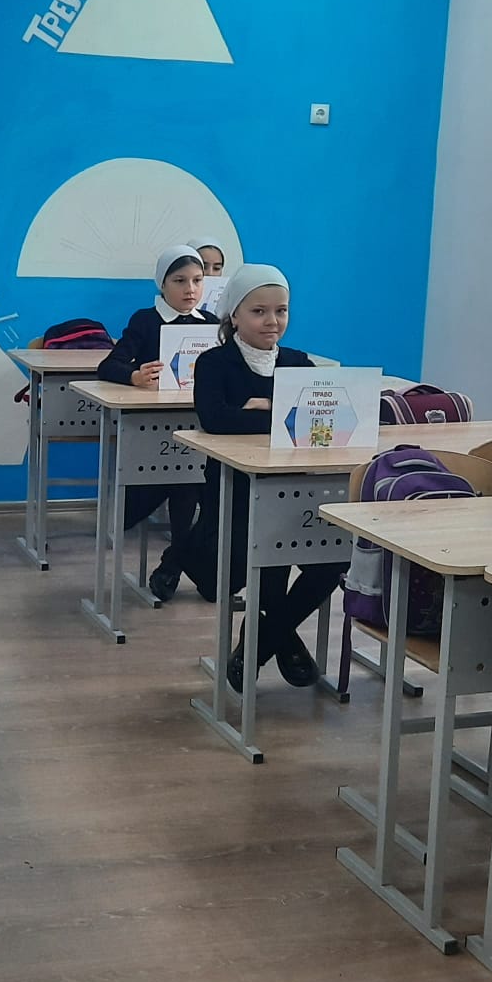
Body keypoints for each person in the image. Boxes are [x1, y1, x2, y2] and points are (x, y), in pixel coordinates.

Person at [182, 264, 343, 691]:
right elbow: (215, 420)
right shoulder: (214, 363)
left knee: (334, 560)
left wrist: (260, 411)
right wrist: (280, 415)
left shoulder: (299, 363)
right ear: (234, 315)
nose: (272, 321)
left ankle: (260, 641)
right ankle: (281, 639)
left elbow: (319, 424)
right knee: (269, 560)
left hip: (299, 490)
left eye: (281, 311)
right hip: (236, 494)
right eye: (259, 311)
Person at [98, 245, 219, 602]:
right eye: (180, 281)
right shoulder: (146, 320)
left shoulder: (211, 323)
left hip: (198, 427)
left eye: (197, 280)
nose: (190, 289)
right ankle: (178, 564)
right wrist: (134, 376)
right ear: (162, 284)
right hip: (154, 432)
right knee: (184, 484)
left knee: (209, 491)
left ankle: (175, 563)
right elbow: (109, 365)